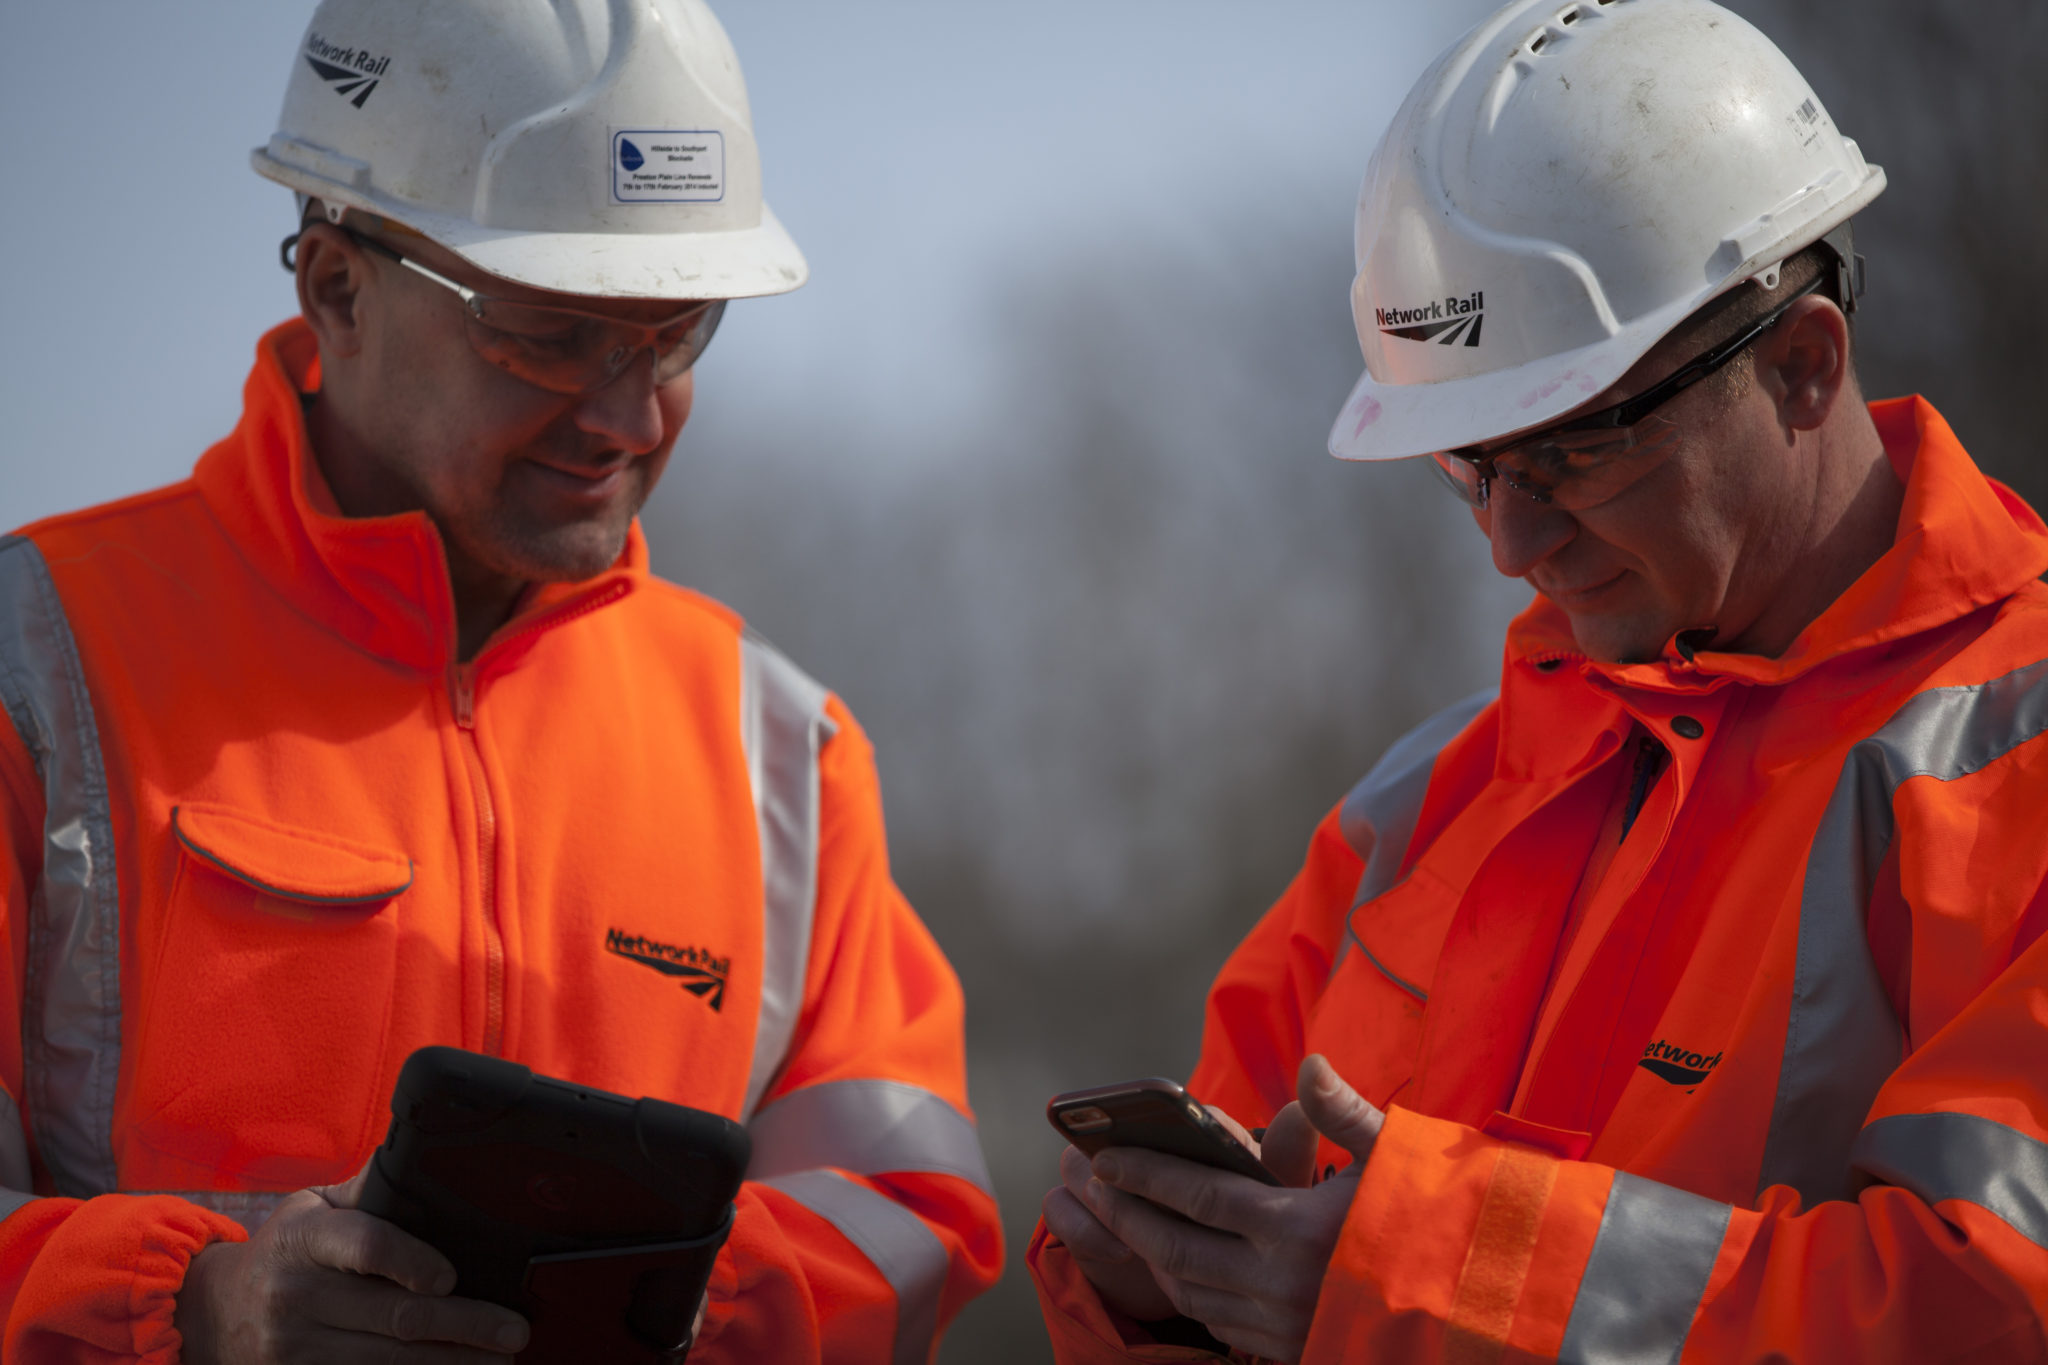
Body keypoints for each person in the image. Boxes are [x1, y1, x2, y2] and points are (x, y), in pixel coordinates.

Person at [1032, 0, 2048, 1360]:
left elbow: (1988, 1310)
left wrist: (1420, 1283)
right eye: (1473, 464)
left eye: (1573, 449)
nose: (1511, 544)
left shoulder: (2017, 762)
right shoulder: (1425, 801)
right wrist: (1159, 1296)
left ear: (1803, 366)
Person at [0, 1, 1000, 1359]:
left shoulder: (785, 754)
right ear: (337, 288)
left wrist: (680, 1299)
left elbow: (907, 1209)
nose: (628, 418)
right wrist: (188, 1309)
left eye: (673, 335)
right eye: (552, 333)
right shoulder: (41, 667)